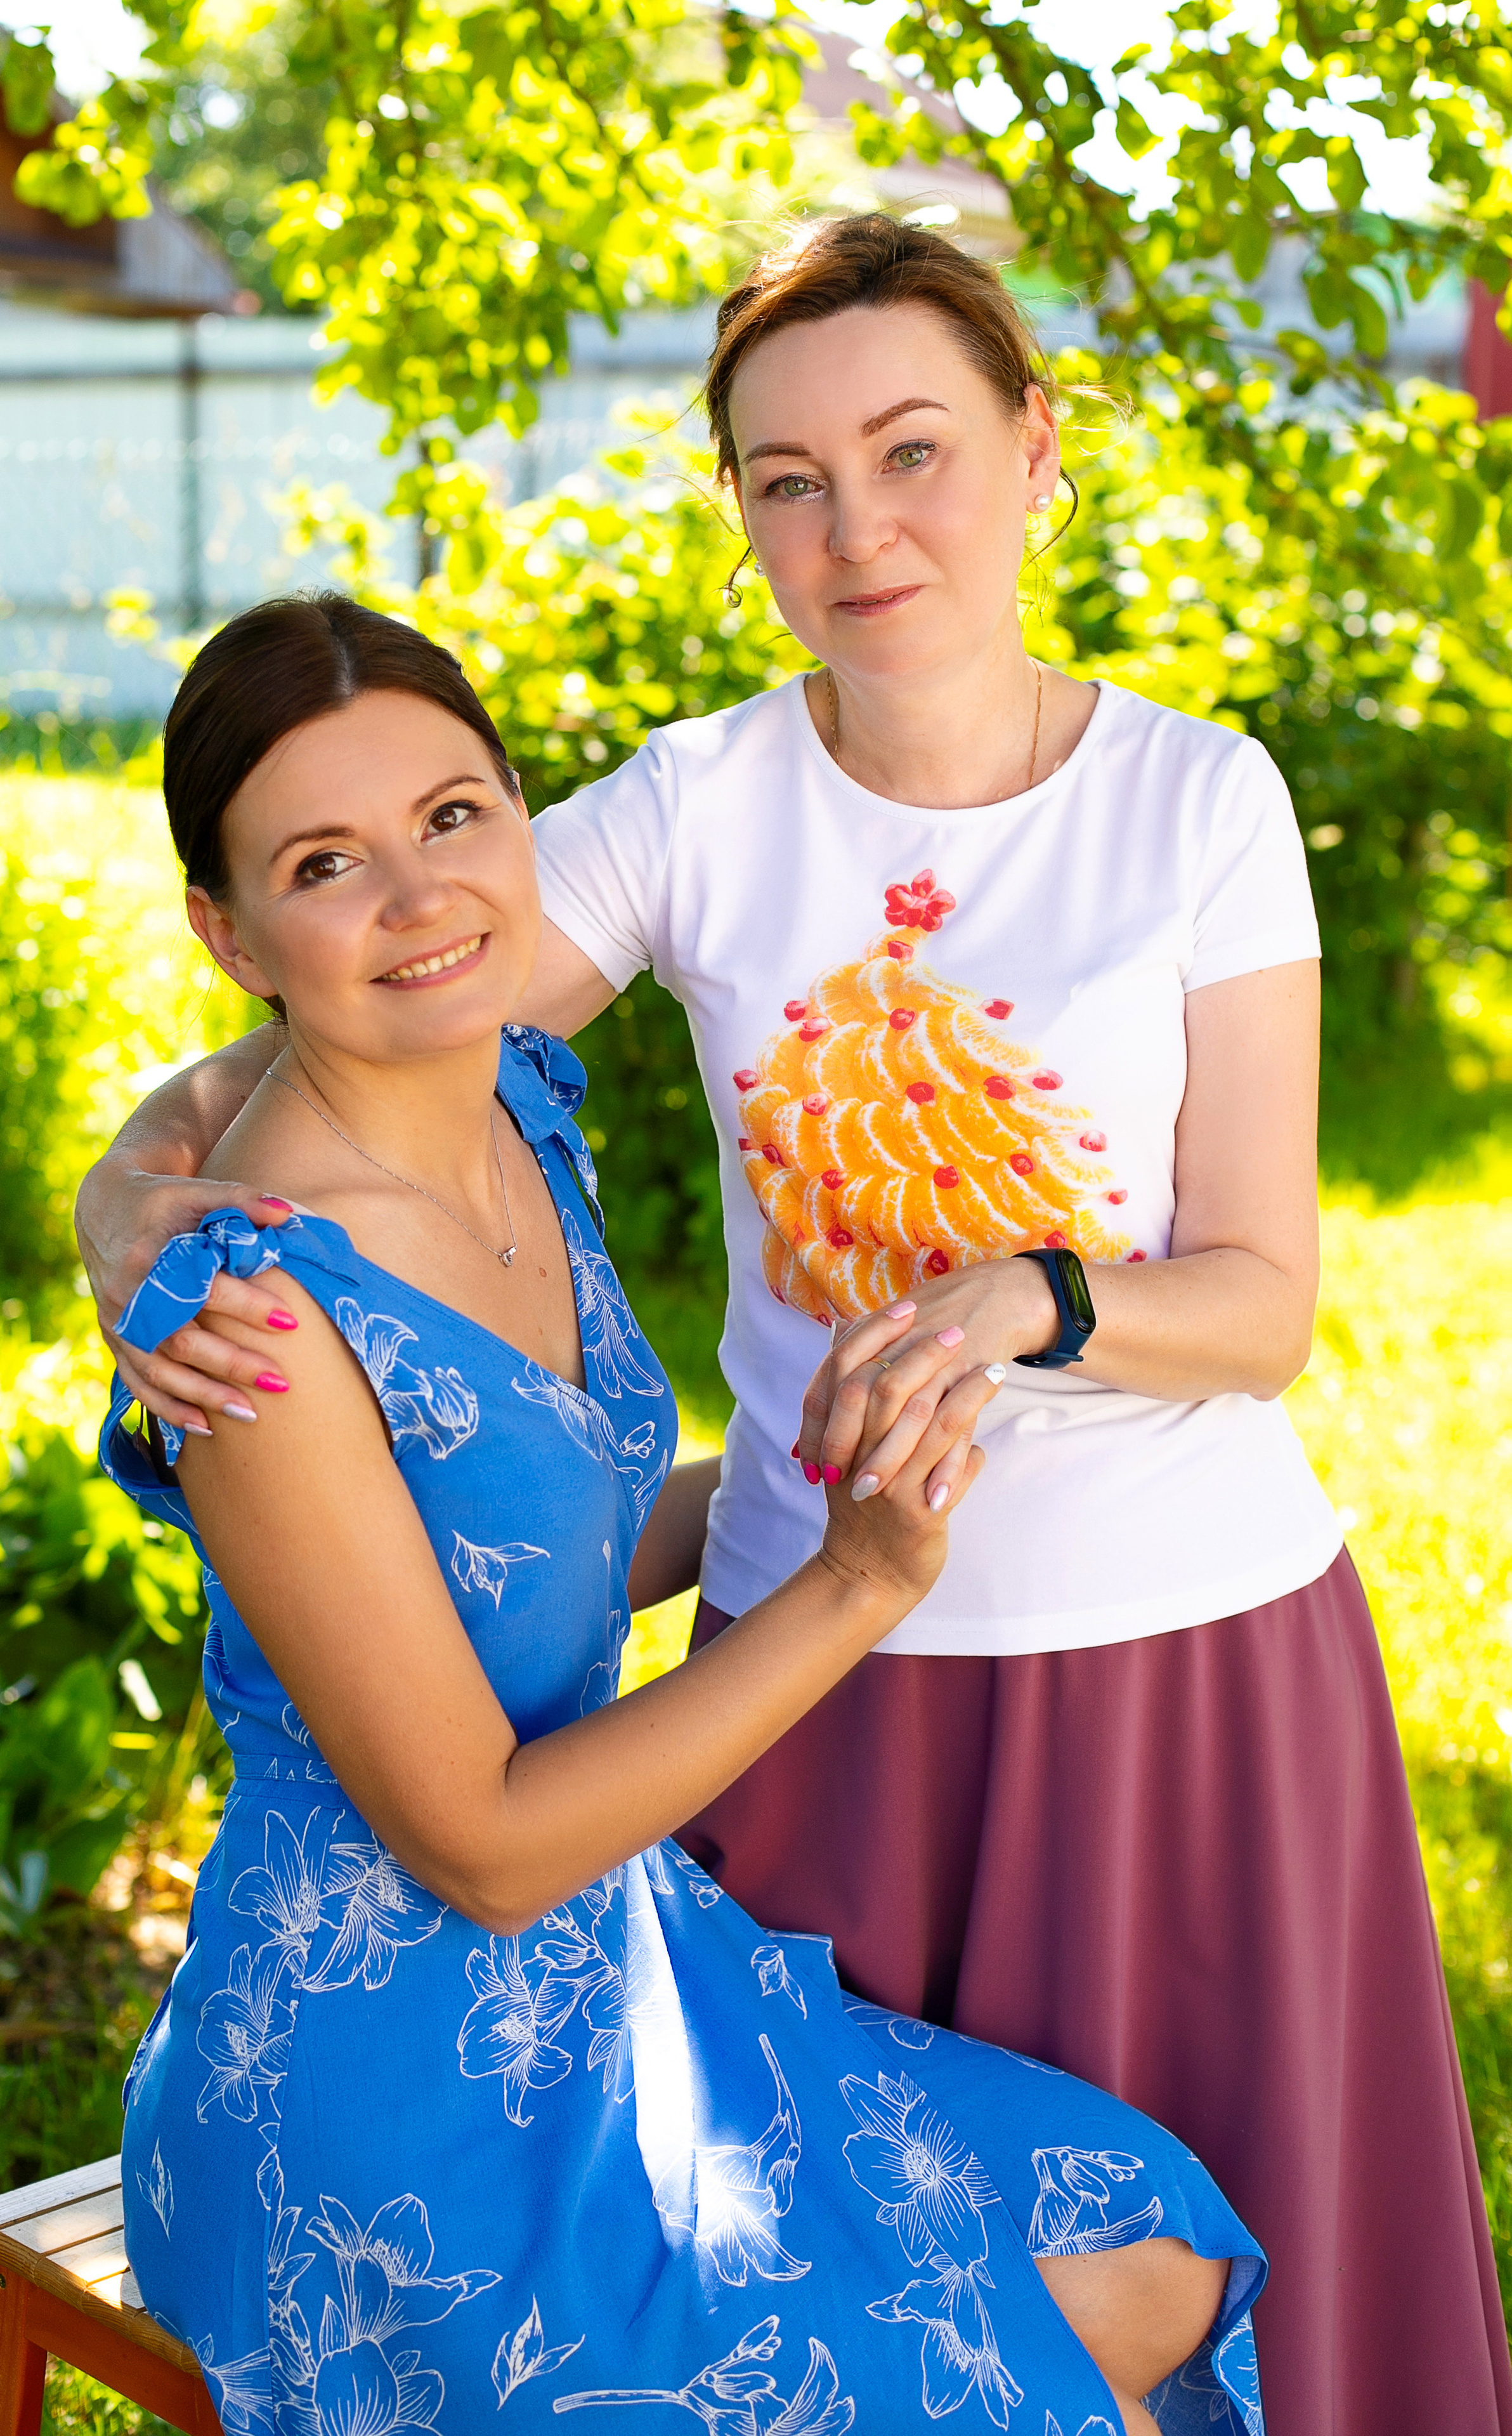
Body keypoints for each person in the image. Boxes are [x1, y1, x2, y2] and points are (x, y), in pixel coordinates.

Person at [75, 218, 1511, 2431]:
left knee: (1188, 2255)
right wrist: (128, 1206)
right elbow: (364, 1027)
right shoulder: (697, 805)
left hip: (1192, 1657)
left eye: (917, 449)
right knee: (930, 2312)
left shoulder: (1200, 801)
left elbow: (1262, 1304)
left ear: (1039, 450)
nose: (861, 527)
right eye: (787, 477)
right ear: (738, 503)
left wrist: (1031, 1301)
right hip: (818, 1679)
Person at [97, 591, 1264, 2435]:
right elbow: (479, 1845)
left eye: (456, 818)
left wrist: (827, 1473)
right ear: (226, 931)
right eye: (328, 863)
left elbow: (524, 1540)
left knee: (1154, 2260)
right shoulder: (259, 1318)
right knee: (975, 2388)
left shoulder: (519, 1119)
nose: (420, 898)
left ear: (517, 824)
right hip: (383, 2093)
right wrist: (852, 1587)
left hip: (621, 1979)